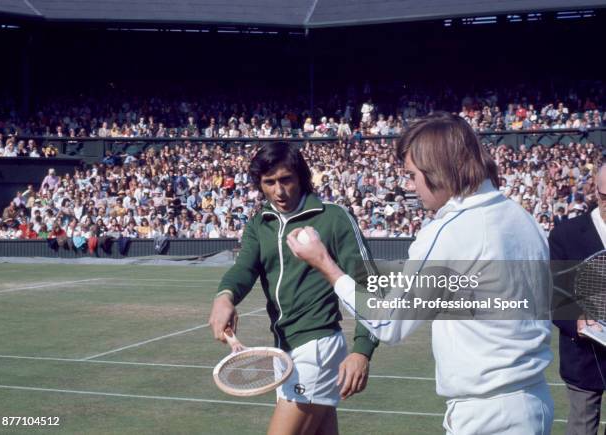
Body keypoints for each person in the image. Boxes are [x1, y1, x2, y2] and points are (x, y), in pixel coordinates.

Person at [287, 113, 554, 434]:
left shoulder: (450, 231)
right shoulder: (523, 219)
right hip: (533, 402)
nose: (409, 186)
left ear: (438, 170)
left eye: (412, 175)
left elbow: (388, 324)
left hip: (487, 412)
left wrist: (325, 265)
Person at [209, 141, 379, 435]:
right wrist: (225, 297)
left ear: (301, 177)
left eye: (286, 179)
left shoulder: (333, 217)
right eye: (269, 182)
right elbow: (244, 268)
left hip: (317, 348)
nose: (279, 191)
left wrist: (362, 350)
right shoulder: (260, 222)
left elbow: (369, 283)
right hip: (284, 351)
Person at [549, 164, 606, 435]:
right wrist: (580, 322)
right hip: (584, 359)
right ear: (595, 191)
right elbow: (554, 298)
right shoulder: (565, 235)